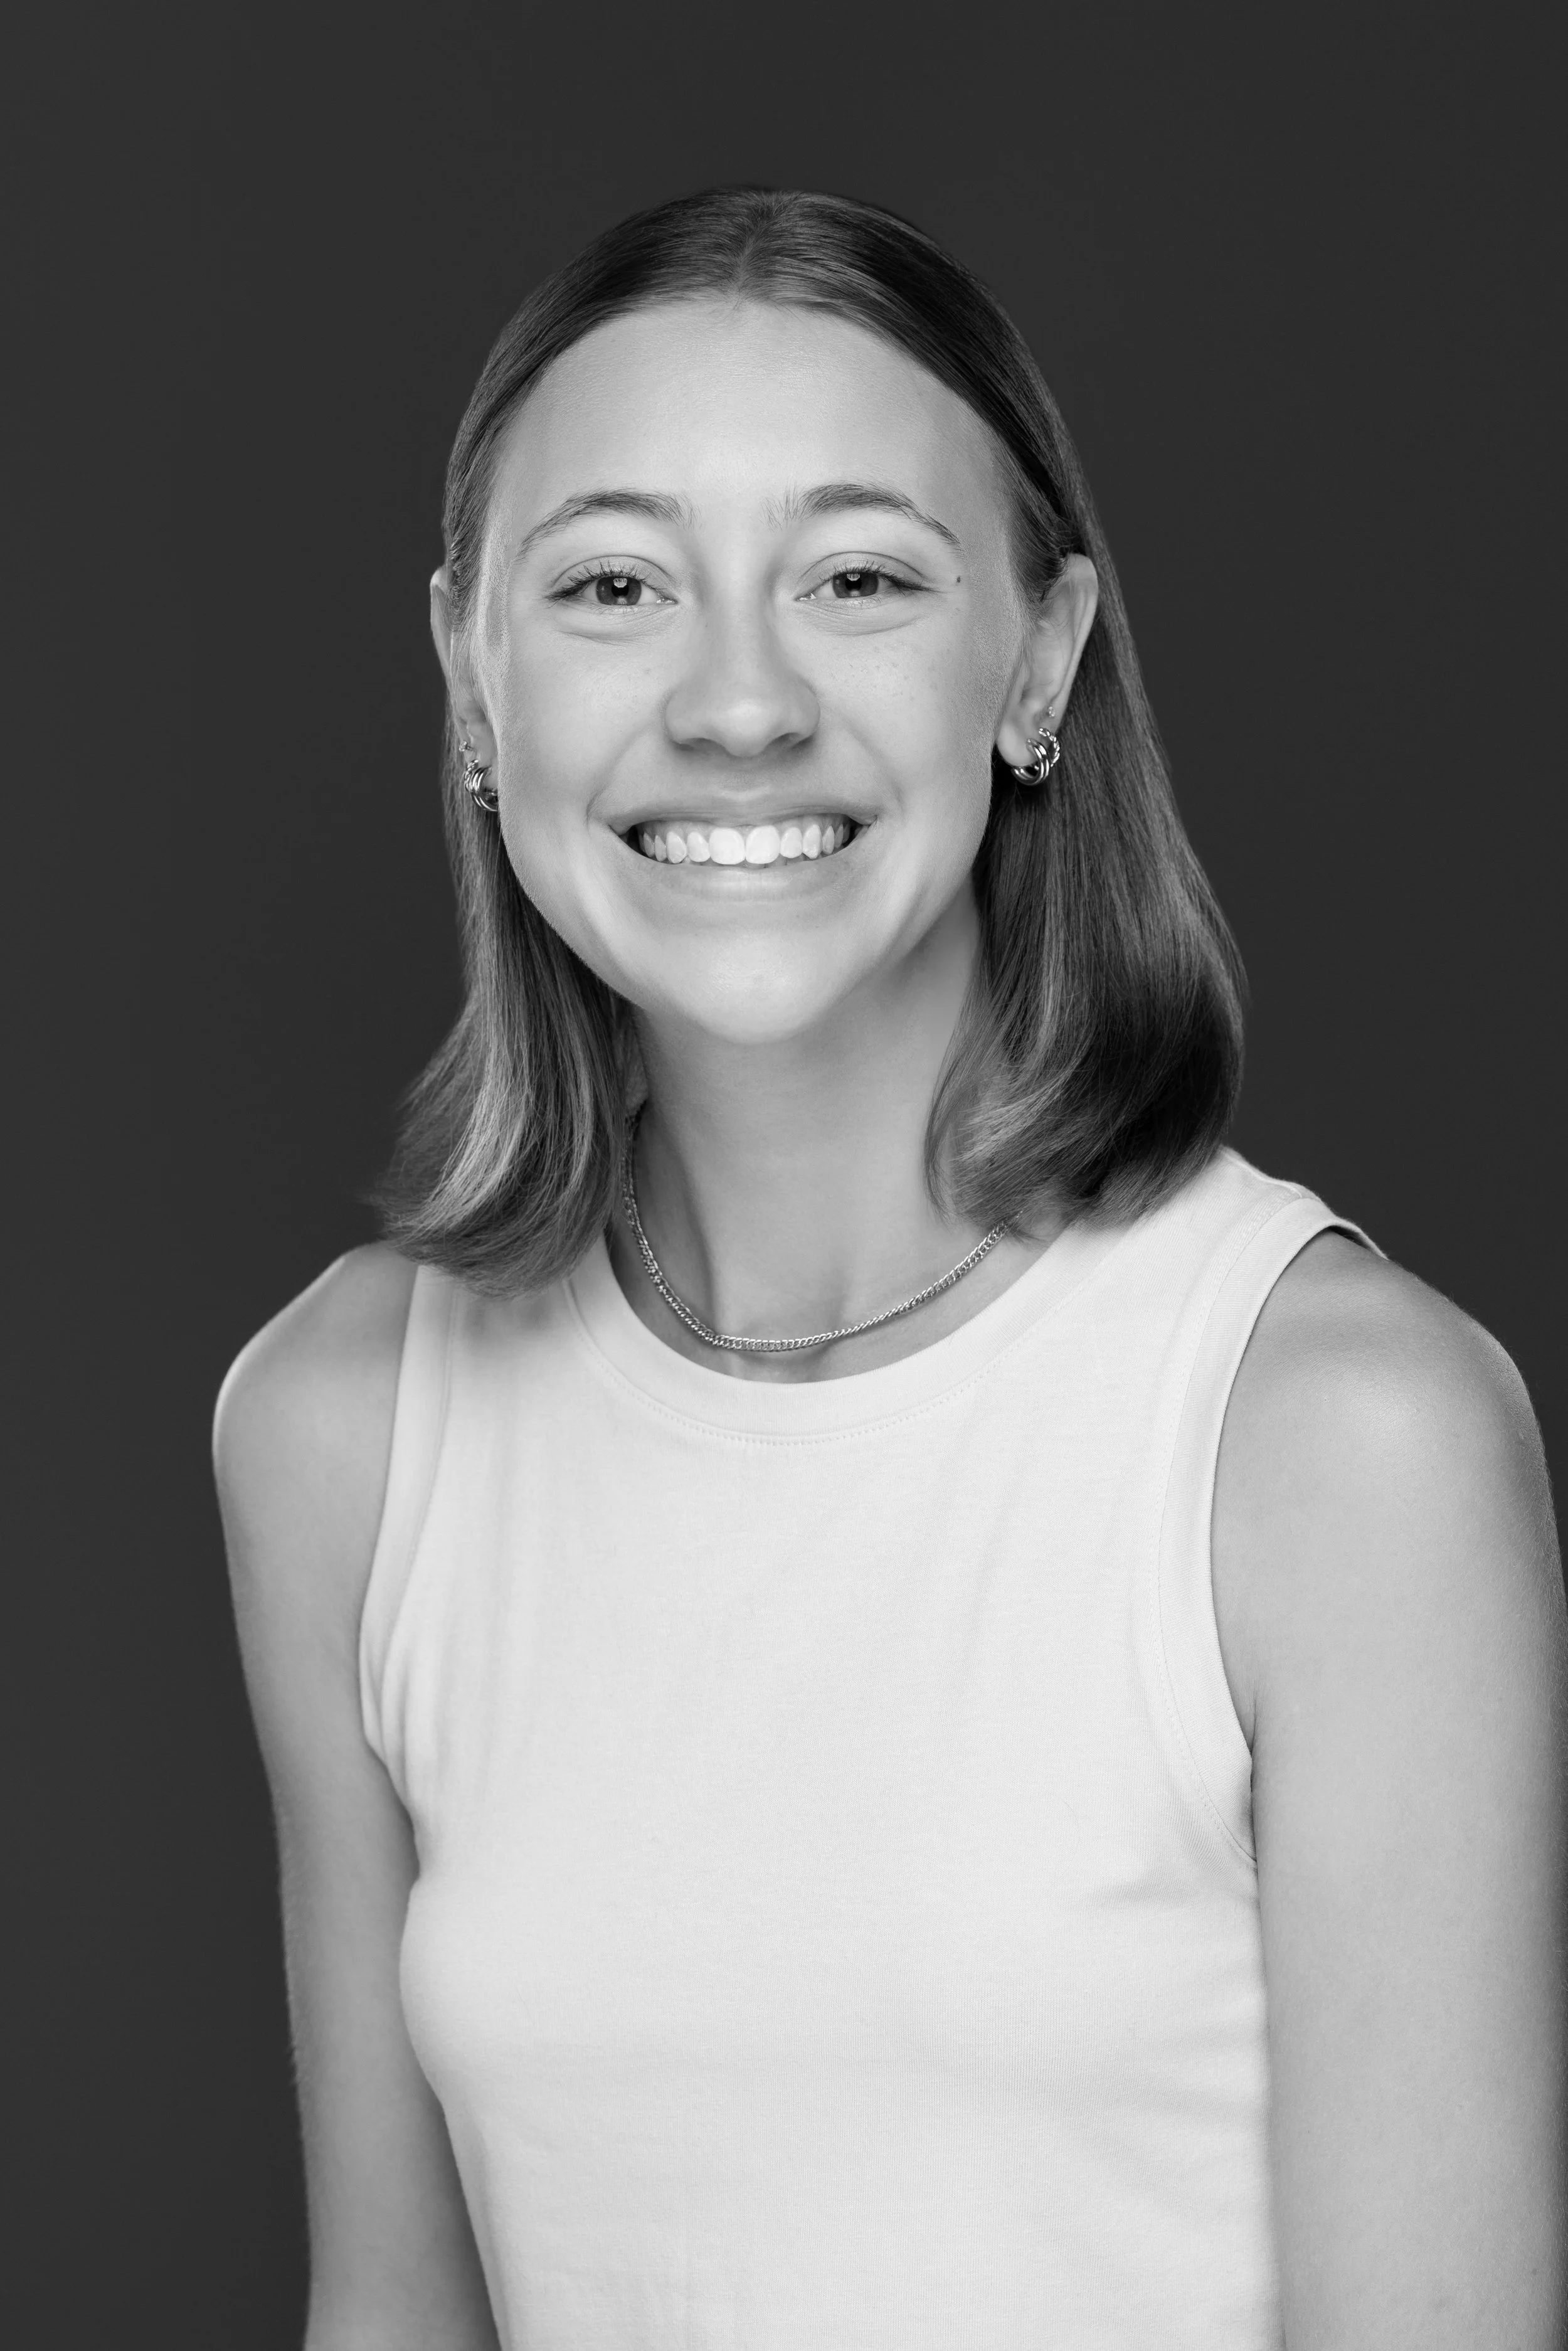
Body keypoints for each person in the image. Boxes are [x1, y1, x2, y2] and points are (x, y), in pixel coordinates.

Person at [212, 188, 1566, 2350]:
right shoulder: (340, 1421)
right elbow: (389, 2315)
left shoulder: (1340, 1439)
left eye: (855, 577)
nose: (736, 699)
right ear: (473, 675)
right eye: (613, 586)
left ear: (1033, 659)